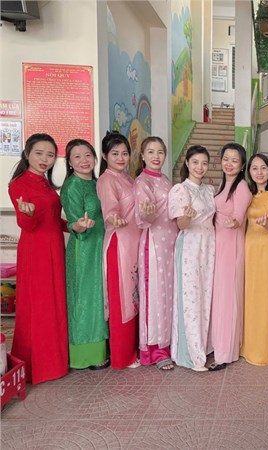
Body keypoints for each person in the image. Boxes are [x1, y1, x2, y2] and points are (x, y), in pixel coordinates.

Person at [8, 133, 68, 383]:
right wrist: (28, 214)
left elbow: (53, 220)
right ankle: (37, 367)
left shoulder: (45, 183)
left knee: (55, 305)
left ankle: (56, 363)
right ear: (27, 154)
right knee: (38, 307)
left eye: (50, 155)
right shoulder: (19, 184)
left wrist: (73, 226)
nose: (45, 159)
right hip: (36, 252)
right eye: (39, 153)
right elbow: (27, 224)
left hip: (55, 248)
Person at [60, 139, 108, 369]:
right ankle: (84, 355)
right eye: (77, 157)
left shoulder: (98, 183)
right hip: (84, 249)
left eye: (88, 155)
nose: (84, 160)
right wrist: (80, 225)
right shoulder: (72, 186)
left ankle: (101, 349)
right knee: (85, 299)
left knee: (99, 297)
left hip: (100, 245)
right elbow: (73, 222)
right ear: (69, 162)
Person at [168, 145, 216, 372]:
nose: (200, 167)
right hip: (190, 247)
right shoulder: (180, 190)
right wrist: (186, 217)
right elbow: (181, 224)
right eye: (195, 162)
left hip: (209, 246)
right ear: (187, 163)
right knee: (191, 298)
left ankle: (205, 346)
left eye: (204, 163)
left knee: (206, 295)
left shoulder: (209, 190)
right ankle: (191, 354)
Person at [96, 132, 141, 369]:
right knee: (121, 300)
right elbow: (110, 209)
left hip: (134, 243)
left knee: (133, 298)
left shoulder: (128, 179)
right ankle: (122, 356)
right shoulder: (107, 180)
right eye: (115, 153)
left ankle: (133, 349)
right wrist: (114, 218)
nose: (121, 158)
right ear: (105, 156)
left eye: (124, 153)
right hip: (119, 244)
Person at [134, 136, 178, 370]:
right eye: (150, 151)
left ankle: (168, 344)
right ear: (142, 156)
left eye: (160, 152)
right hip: (154, 245)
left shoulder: (165, 180)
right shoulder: (143, 182)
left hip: (171, 243)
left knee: (168, 295)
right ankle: (154, 350)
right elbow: (145, 216)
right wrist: (148, 214)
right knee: (155, 295)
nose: (156, 156)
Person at [209, 143, 252, 371]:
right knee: (219, 297)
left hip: (231, 246)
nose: (229, 163)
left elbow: (238, 216)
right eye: (226, 158)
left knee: (227, 298)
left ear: (242, 165)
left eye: (235, 160)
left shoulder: (242, 187)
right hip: (219, 245)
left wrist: (234, 221)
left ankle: (225, 352)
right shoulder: (222, 184)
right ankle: (218, 344)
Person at [240, 154, 268, 366]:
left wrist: (266, 224)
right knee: (248, 297)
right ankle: (247, 346)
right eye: (254, 168)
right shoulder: (246, 194)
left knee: (265, 298)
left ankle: (264, 350)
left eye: (263, 168)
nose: (259, 172)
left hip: (267, 250)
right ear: (249, 171)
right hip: (248, 249)